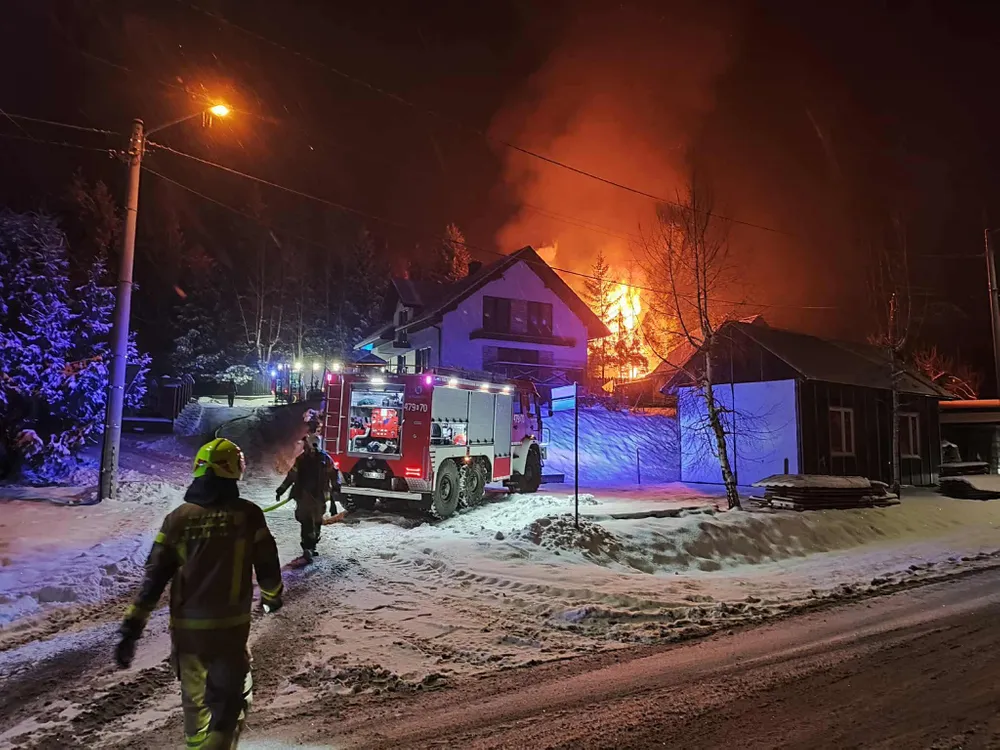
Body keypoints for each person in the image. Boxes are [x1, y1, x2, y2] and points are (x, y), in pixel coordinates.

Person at [115, 438, 284, 749]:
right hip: (229, 631)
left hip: (187, 634)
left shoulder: (178, 519)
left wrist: (131, 630)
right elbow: (268, 564)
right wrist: (272, 598)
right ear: (235, 471)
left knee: (195, 707)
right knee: (230, 705)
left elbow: (153, 580)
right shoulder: (247, 515)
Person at [275, 434, 339, 563]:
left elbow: (333, 475)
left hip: (316, 496)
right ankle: (308, 547)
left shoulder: (323, 459)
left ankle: (311, 546)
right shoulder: (312, 459)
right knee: (307, 521)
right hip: (305, 495)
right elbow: (292, 475)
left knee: (314, 522)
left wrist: (336, 489)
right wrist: (281, 490)